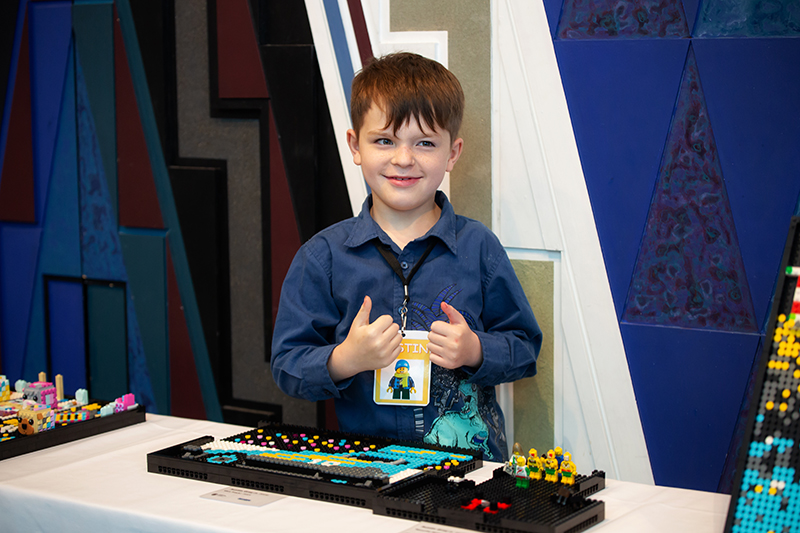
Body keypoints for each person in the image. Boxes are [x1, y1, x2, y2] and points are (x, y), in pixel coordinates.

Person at [270, 52, 542, 461]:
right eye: (384, 140)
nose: (403, 159)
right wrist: (345, 359)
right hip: (371, 466)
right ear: (355, 145)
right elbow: (288, 364)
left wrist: (475, 351)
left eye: (425, 143)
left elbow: (524, 347)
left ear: (452, 153)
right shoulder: (323, 257)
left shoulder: (478, 247)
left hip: (470, 471)